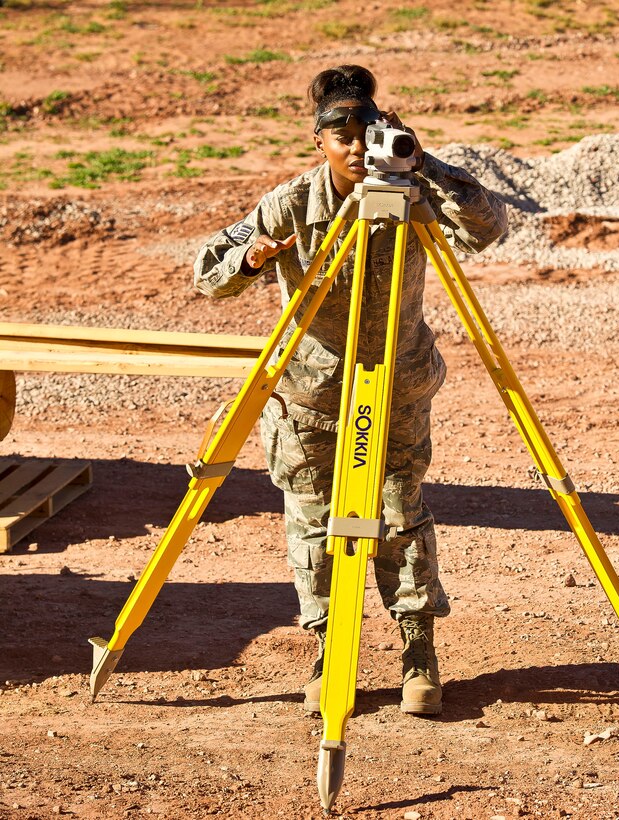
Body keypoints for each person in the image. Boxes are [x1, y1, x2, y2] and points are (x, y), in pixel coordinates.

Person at [194, 65, 507, 716]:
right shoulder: (289, 205)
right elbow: (208, 273)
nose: (358, 146)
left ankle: (418, 651)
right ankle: (329, 650)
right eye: (342, 134)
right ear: (319, 142)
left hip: (395, 385)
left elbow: (486, 227)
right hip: (310, 397)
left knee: (397, 518)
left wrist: (426, 166)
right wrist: (250, 261)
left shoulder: (411, 189)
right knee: (314, 528)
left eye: (369, 130)